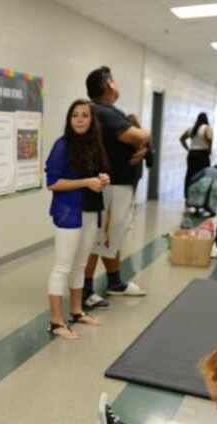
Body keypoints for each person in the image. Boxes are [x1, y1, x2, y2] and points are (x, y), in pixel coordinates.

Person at [81, 66, 149, 309]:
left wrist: (142, 144)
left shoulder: (105, 112)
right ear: (109, 84)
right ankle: (85, 290)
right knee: (97, 238)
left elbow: (135, 140)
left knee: (112, 237)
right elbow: (138, 135)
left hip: (117, 186)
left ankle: (114, 282)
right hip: (110, 187)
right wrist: (145, 136)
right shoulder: (103, 112)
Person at [45, 99, 110, 339]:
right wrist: (86, 182)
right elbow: (53, 183)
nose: (80, 119)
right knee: (62, 266)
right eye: (75, 116)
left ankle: (76, 311)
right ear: (69, 120)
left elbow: (96, 175)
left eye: (84, 115)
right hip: (69, 212)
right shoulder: (62, 146)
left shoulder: (95, 145)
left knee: (80, 264)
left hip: (91, 210)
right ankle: (55, 321)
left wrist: (102, 179)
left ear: (92, 120)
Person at [180, 112, 213, 205]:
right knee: (203, 176)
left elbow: (181, 139)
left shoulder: (192, 129)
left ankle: (188, 197)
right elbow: (210, 139)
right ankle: (201, 198)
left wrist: (188, 149)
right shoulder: (207, 128)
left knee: (190, 175)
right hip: (203, 154)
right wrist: (210, 150)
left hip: (192, 154)